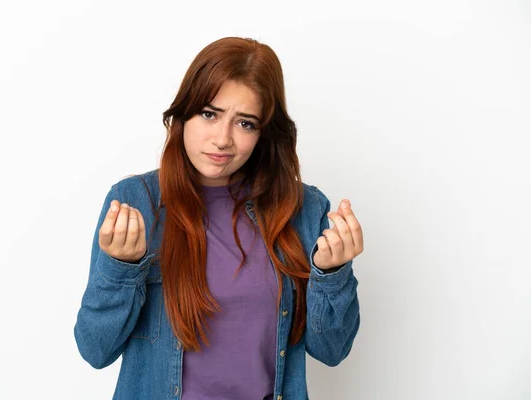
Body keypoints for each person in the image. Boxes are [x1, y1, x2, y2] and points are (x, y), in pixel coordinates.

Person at [74, 36, 363, 400]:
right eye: (209, 114)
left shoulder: (302, 208)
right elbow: (95, 349)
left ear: (263, 133)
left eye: (245, 124)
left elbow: (332, 351)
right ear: (183, 113)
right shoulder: (136, 203)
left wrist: (333, 275)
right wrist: (121, 268)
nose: (223, 139)